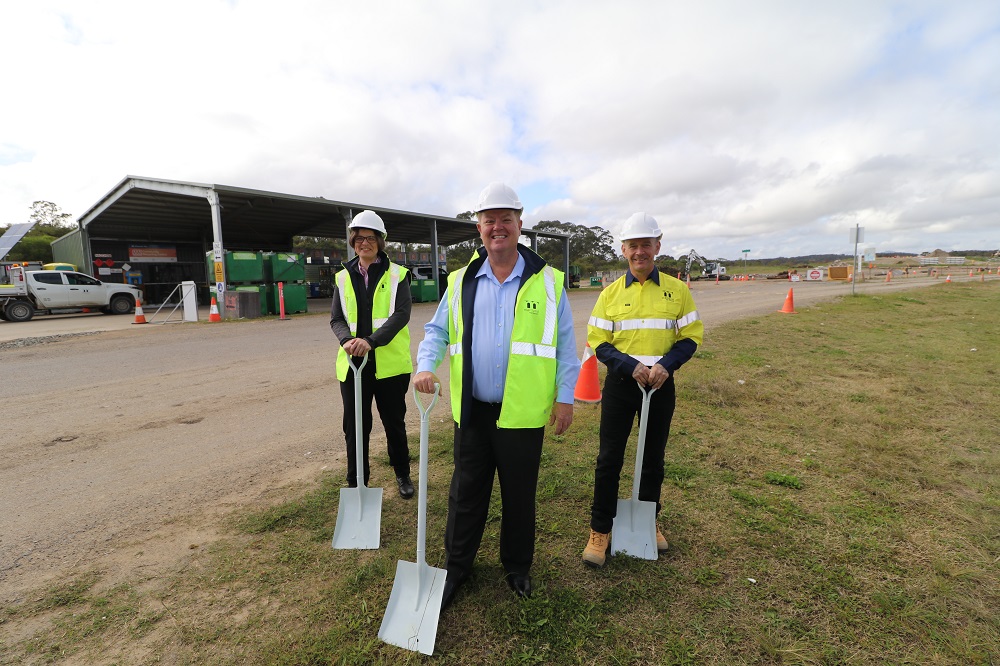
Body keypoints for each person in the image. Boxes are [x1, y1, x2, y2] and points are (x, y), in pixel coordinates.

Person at [414, 182, 580, 606]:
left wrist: (565, 397)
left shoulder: (548, 282)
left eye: (506, 219)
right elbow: (437, 331)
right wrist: (425, 365)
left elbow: (564, 345)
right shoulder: (461, 280)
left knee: (520, 495)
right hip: (473, 412)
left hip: (522, 414)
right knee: (466, 493)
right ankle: (456, 568)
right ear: (479, 228)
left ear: (520, 225)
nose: (498, 227)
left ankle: (517, 567)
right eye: (490, 220)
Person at [582, 212, 704, 567]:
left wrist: (665, 366)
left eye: (646, 245)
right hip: (622, 385)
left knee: (653, 460)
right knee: (609, 460)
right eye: (633, 245)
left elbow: (690, 337)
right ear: (624, 249)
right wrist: (630, 366)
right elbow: (598, 341)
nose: (640, 252)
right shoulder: (609, 294)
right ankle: (600, 530)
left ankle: (648, 521)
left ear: (657, 247)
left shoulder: (677, 290)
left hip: (661, 385)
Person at [330, 210, 415, 499]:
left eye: (370, 238)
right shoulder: (342, 278)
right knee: (355, 426)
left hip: (389, 366)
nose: (364, 243)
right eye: (359, 238)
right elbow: (336, 318)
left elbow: (401, 315)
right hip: (354, 364)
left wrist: (370, 341)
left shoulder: (397, 275)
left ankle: (402, 474)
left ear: (380, 241)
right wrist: (346, 341)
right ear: (353, 242)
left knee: (394, 423)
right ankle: (357, 483)